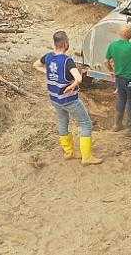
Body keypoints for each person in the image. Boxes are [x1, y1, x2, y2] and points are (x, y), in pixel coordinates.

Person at [33, 31, 102, 165]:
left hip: (55, 99)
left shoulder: (48, 57)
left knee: (63, 121)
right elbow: (79, 78)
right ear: (65, 44)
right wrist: (73, 85)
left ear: (54, 43)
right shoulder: (67, 61)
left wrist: (47, 72)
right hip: (69, 100)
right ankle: (87, 157)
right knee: (85, 123)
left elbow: (35, 64)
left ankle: (68, 152)